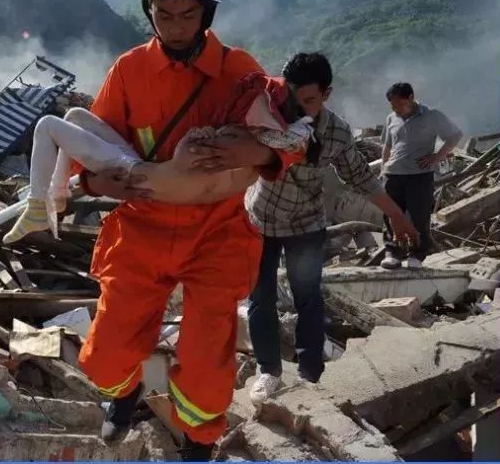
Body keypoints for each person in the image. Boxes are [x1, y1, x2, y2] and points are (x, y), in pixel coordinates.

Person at [68, 0, 302, 460]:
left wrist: (257, 155)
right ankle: (123, 394)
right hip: (144, 224)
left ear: (207, 12)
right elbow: (94, 149)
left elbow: (287, 145)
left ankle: (198, 442)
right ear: (147, 6)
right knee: (106, 356)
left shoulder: (240, 71)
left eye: (186, 14)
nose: (173, 25)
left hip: (216, 231)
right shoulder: (130, 71)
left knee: (206, 359)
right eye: (162, 11)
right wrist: (97, 183)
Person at [188, 52, 420, 404]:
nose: (297, 108)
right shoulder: (264, 116)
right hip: (260, 220)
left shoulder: (336, 133)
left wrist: (397, 216)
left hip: (305, 225)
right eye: (291, 98)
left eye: (309, 100)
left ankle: (311, 373)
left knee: (308, 297)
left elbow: (360, 176)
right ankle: (269, 371)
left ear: (327, 94)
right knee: (260, 298)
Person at [2, 79, 314, 243]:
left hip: (142, 177)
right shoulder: (245, 146)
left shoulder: (237, 146)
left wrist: (199, 141)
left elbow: (190, 160)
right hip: (142, 169)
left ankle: (37, 207)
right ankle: (57, 197)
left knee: (47, 126)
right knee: (74, 115)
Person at [380, 82, 463, 269]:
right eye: (393, 107)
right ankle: (392, 252)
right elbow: (386, 146)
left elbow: (455, 135)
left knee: (420, 216)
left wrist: (436, 157)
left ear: (410, 97)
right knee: (391, 215)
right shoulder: (391, 118)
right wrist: (383, 168)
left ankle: (416, 254)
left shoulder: (432, 116)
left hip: (419, 175)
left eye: (399, 105)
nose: (397, 111)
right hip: (393, 175)